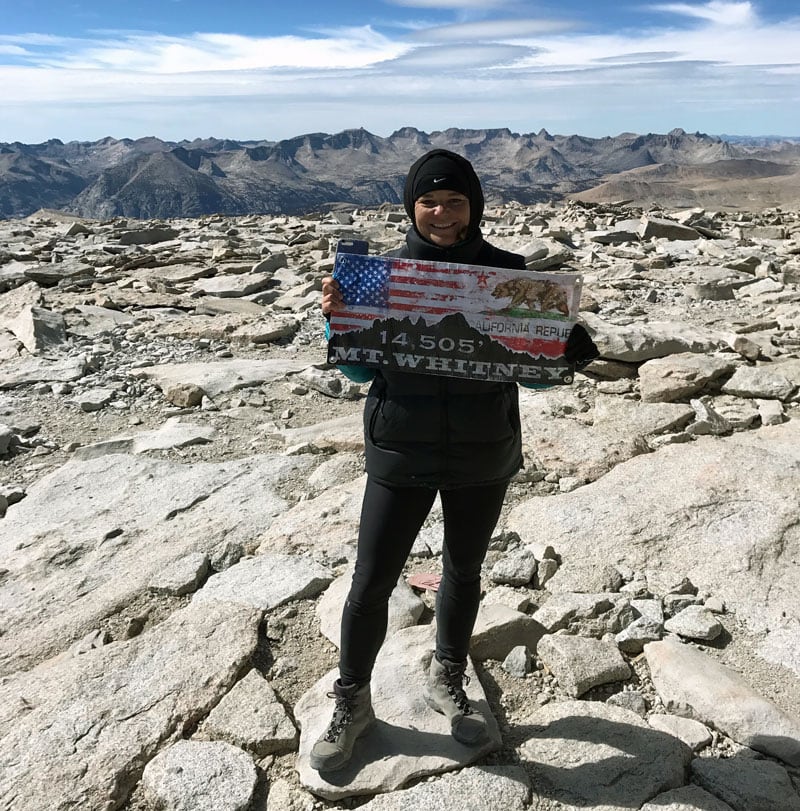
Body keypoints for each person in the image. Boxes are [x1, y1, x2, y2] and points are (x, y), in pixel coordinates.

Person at [312, 148, 598, 772]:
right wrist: (340, 325)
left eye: (455, 201)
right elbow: (362, 369)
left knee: (463, 570)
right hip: (399, 445)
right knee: (371, 578)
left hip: (482, 449)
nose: (442, 214)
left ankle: (449, 678)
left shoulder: (510, 273)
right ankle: (351, 699)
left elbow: (536, 379)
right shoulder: (378, 274)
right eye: (429, 202)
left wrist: (565, 348)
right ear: (411, 207)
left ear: (475, 205)